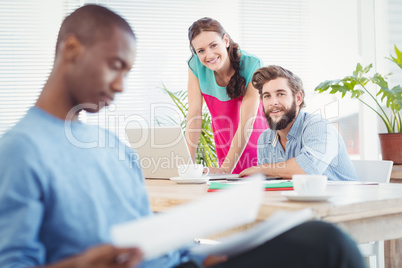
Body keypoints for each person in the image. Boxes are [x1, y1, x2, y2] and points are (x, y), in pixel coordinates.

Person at [0, 5, 366, 268]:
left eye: (127, 72)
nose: (121, 86)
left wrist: (199, 253)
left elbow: (149, 236)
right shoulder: (21, 151)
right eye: (115, 66)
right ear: (73, 50)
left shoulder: (115, 149)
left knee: (323, 242)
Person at [239, 65, 358, 180]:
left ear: (298, 98)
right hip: (296, 199)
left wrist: (261, 169)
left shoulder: (319, 127)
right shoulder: (265, 139)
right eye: (267, 96)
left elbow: (307, 169)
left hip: (342, 199)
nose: (273, 102)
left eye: (280, 94)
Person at [186, 18, 268, 174]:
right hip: (225, 144)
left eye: (213, 45)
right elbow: (194, 115)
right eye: (201, 51)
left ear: (225, 40)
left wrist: (225, 169)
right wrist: (187, 163)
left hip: (255, 142)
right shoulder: (195, 65)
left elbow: (247, 123)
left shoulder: (253, 64)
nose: (209, 55)